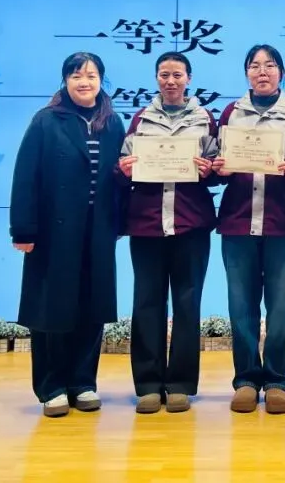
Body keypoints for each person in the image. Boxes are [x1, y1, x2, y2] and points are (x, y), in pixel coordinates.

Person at [9, 52, 126, 418]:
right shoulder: (46, 121)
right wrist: (23, 229)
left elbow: (120, 178)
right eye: (76, 76)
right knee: (51, 309)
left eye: (91, 75)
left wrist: (121, 221)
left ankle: (83, 382)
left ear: (101, 80)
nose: (84, 82)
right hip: (53, 232)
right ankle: (52, 386)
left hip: (98, 231)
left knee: (92, 307)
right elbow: (25, 177)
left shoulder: (112, 123)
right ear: (65, 81)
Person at [212, 44, 285, 415]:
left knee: (282, 307)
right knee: (241, 306)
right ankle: (245, 379)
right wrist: (219, 168)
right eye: (254, 66)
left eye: (270, 65)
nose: (262, 72)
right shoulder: (230, 113)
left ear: (281, 73)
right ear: (246, 73)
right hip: (238, 222)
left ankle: (276, 380)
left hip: (283, 223)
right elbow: (216, 164)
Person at [117, 51, 219, 415]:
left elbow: (219, 168)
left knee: (188, 304)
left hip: (191, 224)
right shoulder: (140, 119)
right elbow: (121, 166)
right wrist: (124, 168)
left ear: (189, 79)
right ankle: (147, 384)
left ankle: (180, 385)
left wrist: (209, 170)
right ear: (156, 79)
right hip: (147, 225)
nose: (171, 81)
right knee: (146, 302)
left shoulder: (205, 119)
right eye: (164, 74)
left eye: (177, 74)